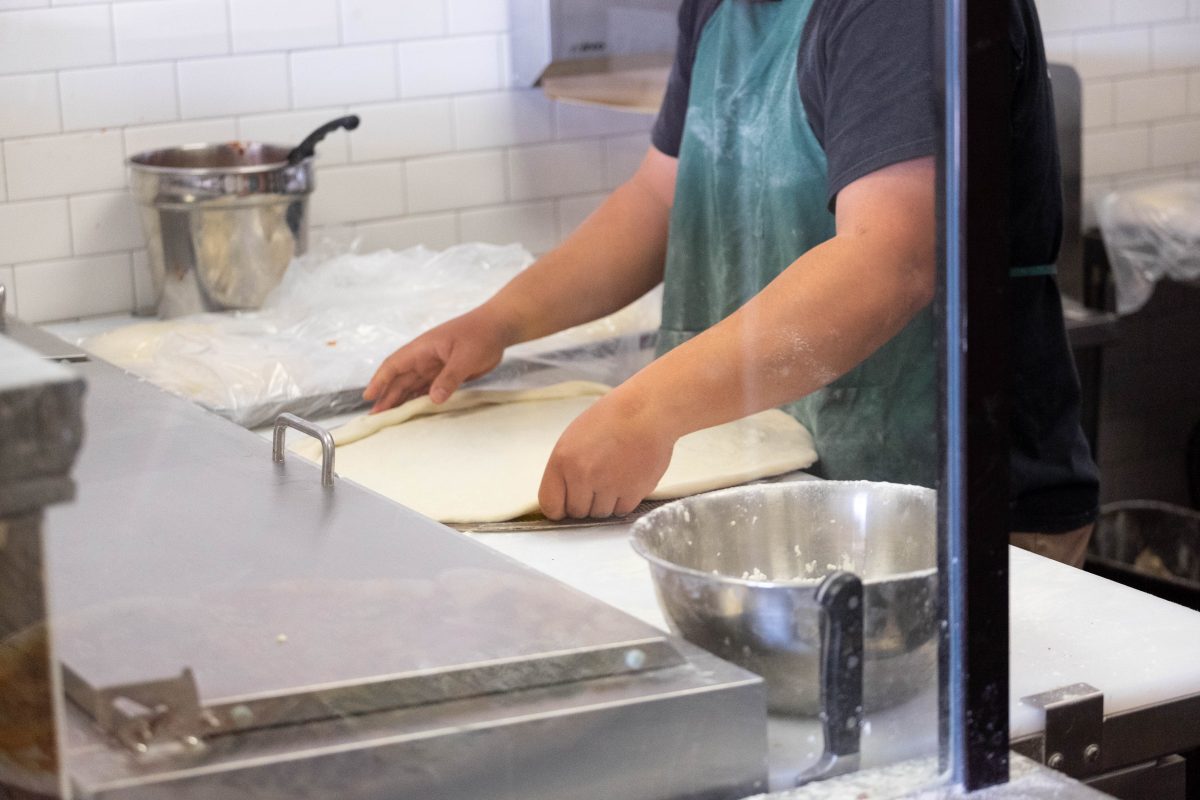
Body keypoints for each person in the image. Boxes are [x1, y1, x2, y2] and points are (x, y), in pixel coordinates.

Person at [364, 0, 1099, 565]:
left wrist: (645, 409)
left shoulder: (898, 13)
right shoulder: (722, 8)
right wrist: (500, 322)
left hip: (949, 514)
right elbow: (659, 199)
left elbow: (887, 263)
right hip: (790, 490)